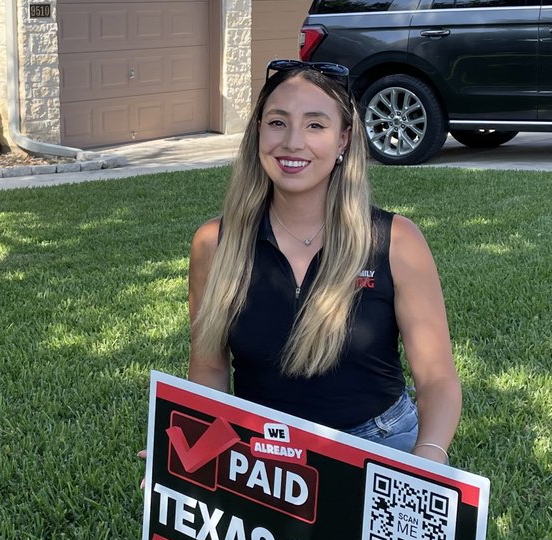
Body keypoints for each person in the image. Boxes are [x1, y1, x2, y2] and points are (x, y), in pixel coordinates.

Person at [187, 59, 461, 464]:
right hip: (261, 453)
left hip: (379, 445)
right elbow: (209, 369)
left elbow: (437, 380)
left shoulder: (396, 241)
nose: (293, 142)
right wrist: (192, 455)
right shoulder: (215, 243)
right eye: (277, 122)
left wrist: (428, 458)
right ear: (258, 131)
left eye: (316, 125)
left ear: (344, 140)